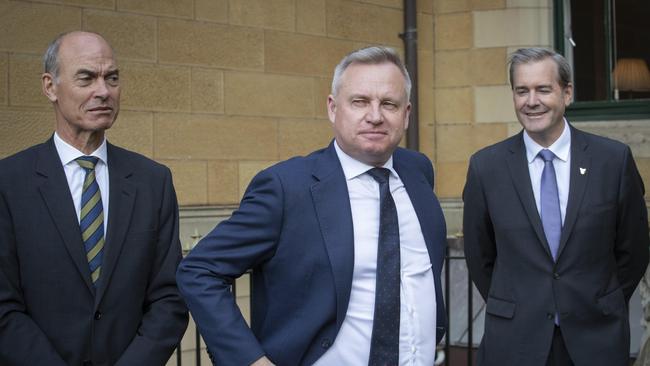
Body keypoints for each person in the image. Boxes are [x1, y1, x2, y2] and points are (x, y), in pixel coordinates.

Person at [177, 46, 447, 366]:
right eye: (360, 101)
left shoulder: (417, 171)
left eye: (389, 103)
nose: (375, 116)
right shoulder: (286, 188)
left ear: (406, 114)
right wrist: (249, 360)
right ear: (333, 108)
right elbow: (199, 270)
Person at [0, 31, 188, 365]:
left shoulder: (153, 181)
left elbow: (169, 299)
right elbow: (4, 308)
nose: (103, 91)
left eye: (112, 78)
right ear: (50, 87)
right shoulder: (8, 182)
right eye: (86, 78)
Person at [463, 47, 649, 365]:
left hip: (596, 337)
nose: (531, 101)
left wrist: (600, 300)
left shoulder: (612, 160)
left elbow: (633, 249)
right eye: (522, 91)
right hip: (515, 341)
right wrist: (519, 303)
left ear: (567, 93)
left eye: (543, 89)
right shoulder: (486, 167)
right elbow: (480, 256)